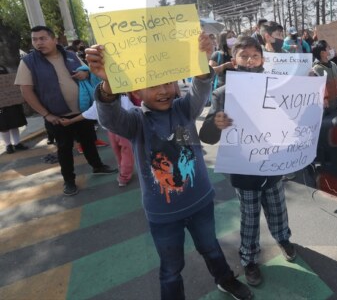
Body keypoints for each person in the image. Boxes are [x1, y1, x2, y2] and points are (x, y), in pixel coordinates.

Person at [86, 33, 253, 300]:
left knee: (210, 247)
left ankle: (225, 279)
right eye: (152, 86)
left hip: (200, 203)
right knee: (171, 268)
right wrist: (107, 84)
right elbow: (110, 117)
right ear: (137, 91)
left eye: (168, 83)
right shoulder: (135, 122)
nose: (163, 90)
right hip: (163, 215)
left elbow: (200, 91)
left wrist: (201, 61)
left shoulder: (183, 110)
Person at [199, 36, 297, 288]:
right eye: (244, 56)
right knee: (250, 217)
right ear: (234, 60)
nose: (250, 61)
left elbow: (293, 116)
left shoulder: (278, 87)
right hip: (244, 170)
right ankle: (249, 258)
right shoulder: (223, 94)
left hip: (273, 165)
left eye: (255, 55)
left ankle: (283, 238)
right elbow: (207, 136)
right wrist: (216, 124)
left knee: (277, 208)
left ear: (263, 59)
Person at [15, 26, 115, 196]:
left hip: (82, 112)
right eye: (35, 39)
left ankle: (97, 166)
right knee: (64, 149)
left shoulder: (70, 55)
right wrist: (47, 115)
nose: (38, 42)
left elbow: (87, 71)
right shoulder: (29, 62)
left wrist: (85, 74)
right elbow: (26, 91)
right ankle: (69, 181)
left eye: (43, 38)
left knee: (89, 141)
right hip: (56, 117)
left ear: (54, 40)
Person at [59, 94, 136, 187]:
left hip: (111, 130)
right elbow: (133, 111)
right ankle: (124, 176)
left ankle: (123, 173)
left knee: (119, 153)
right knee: (126, 154)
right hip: (123, 130)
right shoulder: (122, 99)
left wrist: (71, 121)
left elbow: (87, 114)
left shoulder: (100, 101)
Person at [311, 40, 337, 177]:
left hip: (335, 105)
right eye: (329, 48)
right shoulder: (316, 69)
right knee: (323, 133)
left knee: (334, 130)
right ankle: (322, 160)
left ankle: (335, 159)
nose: (332, 49)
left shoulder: (333, 65)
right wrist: (324, 98)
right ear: (322, 53)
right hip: (323, 108)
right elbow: (317, 86)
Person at [0, 65, 28, 154]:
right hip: (1, 105)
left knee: (14, 123)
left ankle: (17, 143)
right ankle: (8, 145)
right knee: (3, 126)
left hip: (11, 102)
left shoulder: (3, 67)